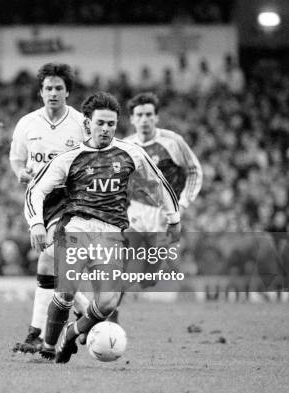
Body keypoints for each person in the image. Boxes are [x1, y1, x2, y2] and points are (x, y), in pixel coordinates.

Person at [25, 92, 181, 363]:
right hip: (75, 228)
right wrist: (37, 222)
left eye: (111, 123)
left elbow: (159, 183)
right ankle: (49, 348)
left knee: (108, 302)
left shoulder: (131, 153)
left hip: (111, 234)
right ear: (87, 124)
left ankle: (71, 332)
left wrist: (174, 218)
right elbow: (36, 190)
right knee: (65, 293)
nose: (106, 129)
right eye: (101, 123)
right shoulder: (69, 158)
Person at [9, 62, 90, 353]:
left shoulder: (82, 124)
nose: (53, 93)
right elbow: (17, 159)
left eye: (58, 88)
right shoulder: (27, 124)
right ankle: (84, 311)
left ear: (67, 92)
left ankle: (35, 334)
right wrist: (20, 172)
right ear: (41, 92)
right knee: (52, 264)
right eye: (48, 88)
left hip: (68, 199)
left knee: (48, 257)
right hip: (38, 199)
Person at [123, 92, 202, 287]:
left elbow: (194, 171)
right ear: (132, 119)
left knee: (148, 281)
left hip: (163, 217)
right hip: (134, 215)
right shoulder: (125, 146)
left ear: (156, 117)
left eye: (149, 114)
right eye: (139, 115)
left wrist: (181, 205)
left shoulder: (172, 141)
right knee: (120, 266)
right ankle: (109, 314)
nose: (144, 120)